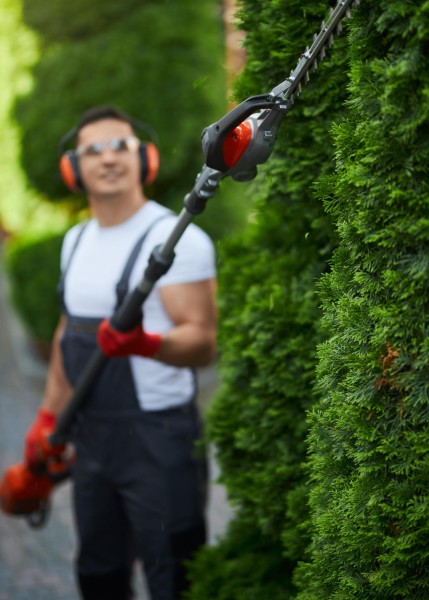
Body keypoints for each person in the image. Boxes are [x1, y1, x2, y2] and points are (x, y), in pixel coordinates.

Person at [23, 105, 217, 600]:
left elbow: (202, 343)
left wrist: (147, 343)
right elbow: (70, 335)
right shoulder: (75, 241)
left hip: (159, 440)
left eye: (121, 146)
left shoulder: (178, 240)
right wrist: (47, 421)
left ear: (144, 159)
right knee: (99, 574)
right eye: (93, 150)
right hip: (92, 442)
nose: (108, 158)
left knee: (174, 575)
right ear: (74, 168)